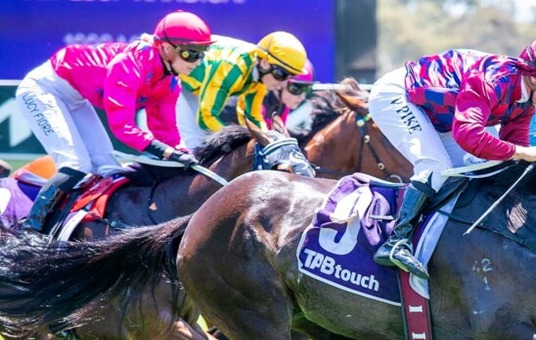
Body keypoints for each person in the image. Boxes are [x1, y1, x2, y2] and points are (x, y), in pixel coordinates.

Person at [368, 35, 536, 279]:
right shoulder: (494, 81)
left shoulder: (526, 103)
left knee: (479, 169)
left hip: (443, 115)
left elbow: (511, 154)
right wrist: (522, 152)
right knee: (436, 166)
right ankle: (396, 241)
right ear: (534, 76)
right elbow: (468, 133)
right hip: (400, 95)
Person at [16, 10, 213, 232]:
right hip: (42, 90)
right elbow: (122, 127)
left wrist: (185, 154)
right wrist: (166, 153)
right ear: (167, 49)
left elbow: (166, 132)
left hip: (76, 98)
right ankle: (31, 230)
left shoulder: (170, 83)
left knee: (108, 168)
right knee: (75, 165)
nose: (198, 61)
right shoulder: (129, 65)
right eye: (191, 53)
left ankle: (81, 227)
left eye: (203, 53)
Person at [176, 31, 308, 150]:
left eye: (289, 77)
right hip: (174, 76)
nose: (283, 83)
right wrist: (238, 139)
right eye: (281, 74)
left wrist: (270, 140)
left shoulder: (260, 76)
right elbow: (206, 117)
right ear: (265, 63)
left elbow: (253, 116)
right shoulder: (233, 69)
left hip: (192, 87)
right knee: (193, 144)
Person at [219, 59, 314, 135]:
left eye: (306, 89)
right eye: (296, 89)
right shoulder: (258, 101)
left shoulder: (283, 106)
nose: (302, 97)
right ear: (282, 82)